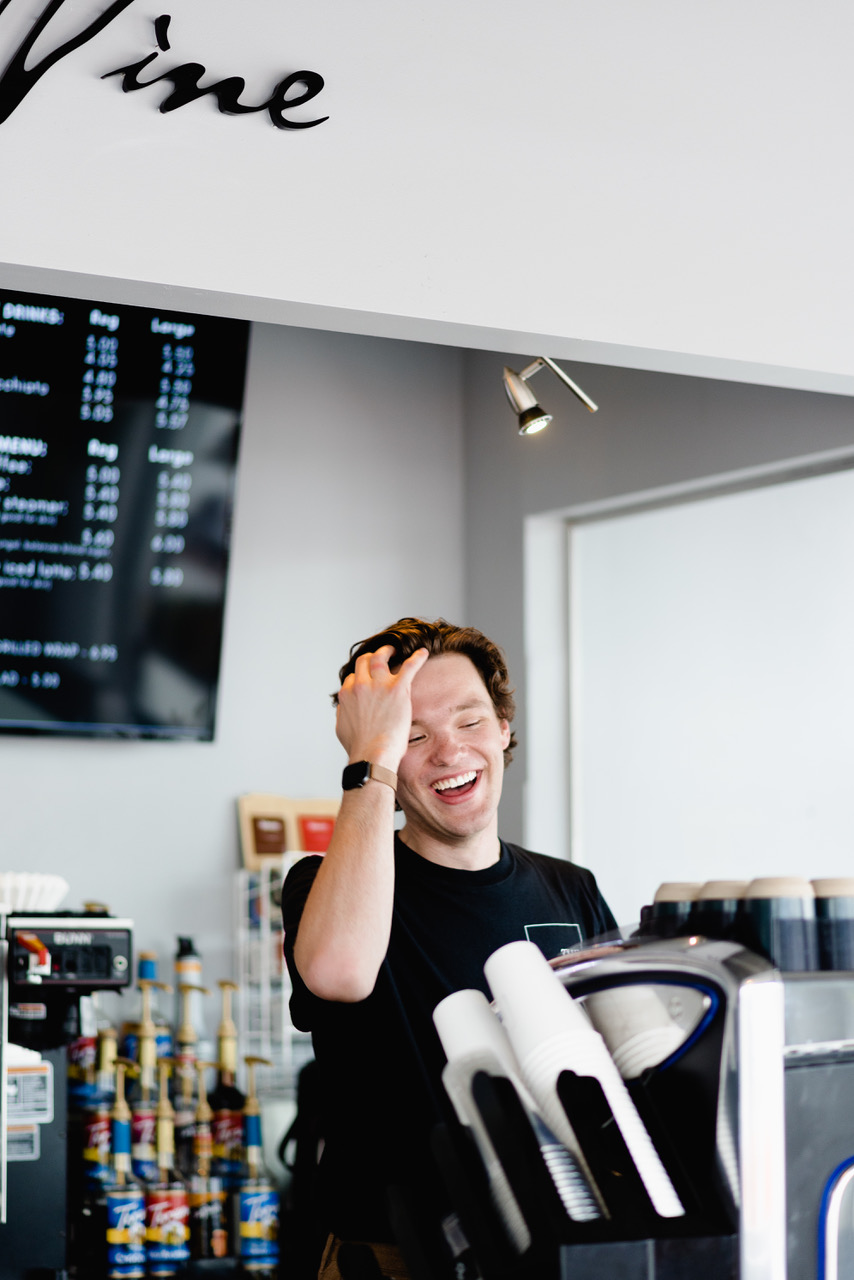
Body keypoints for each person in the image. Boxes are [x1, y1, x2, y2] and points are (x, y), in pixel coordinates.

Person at [282, 617, 617, 1279]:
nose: (447, 752)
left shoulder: (570, 889)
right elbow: (340, 974)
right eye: (411, 735)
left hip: (550, 1245)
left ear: (504, 728)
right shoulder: (324, 885)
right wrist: (368, 759)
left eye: (469, 722)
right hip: (395, 1255)